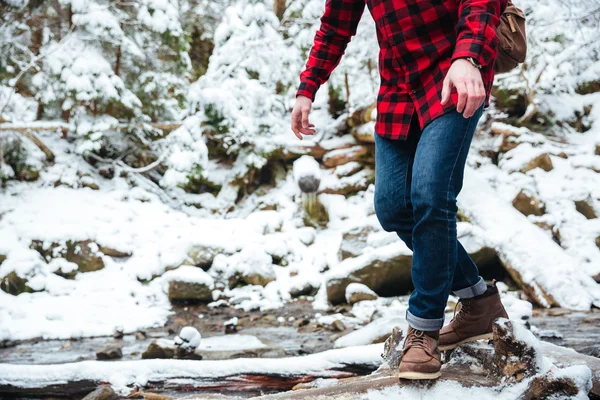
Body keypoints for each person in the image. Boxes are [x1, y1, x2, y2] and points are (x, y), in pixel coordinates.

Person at [291, 0, 510, 380]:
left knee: (430, 195)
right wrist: (306, 89)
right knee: (393, 207)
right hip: (399, 89)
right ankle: (479, 301)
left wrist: (469, 56)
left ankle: (423, 329)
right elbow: (336, 26)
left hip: (455, 73)